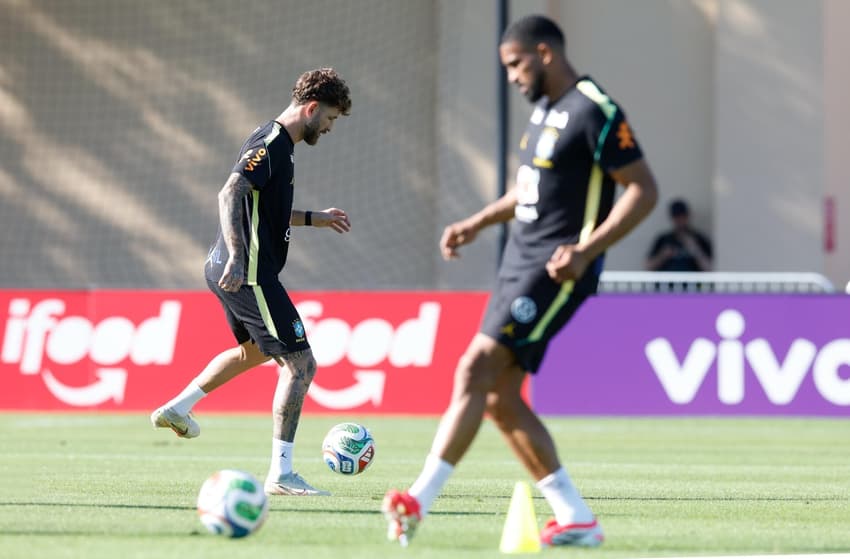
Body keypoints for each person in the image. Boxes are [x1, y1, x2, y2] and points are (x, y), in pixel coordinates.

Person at [382, 15, 658, 548]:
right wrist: (476, 223)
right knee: (499, 397)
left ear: (545, 53)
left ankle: (419, 500)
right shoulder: (546, 114)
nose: (511, 76)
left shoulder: (594, 110)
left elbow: (643, 189)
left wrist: (586, 250)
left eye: (515, 64)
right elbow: (527, 191)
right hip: (518, 263)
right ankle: (575, 516)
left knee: (475, 368)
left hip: (556, 270)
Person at [150, 68, 352, 497]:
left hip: (231, 268)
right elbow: (230, 192)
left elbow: (268, 209)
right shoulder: (272, 143)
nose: (331, 128)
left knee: (255, 351)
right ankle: (281, 475)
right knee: (302, 365)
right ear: (312, 108)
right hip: (250, 273)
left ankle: (178, 408)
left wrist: (316, 218)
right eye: (331, 119)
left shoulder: (281, 145)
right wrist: (241, 257)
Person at [645, 198, 713, 272]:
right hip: (667, 282)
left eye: (683, 216)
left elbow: (710, 268)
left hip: (694, 282)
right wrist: (663, 255)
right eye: (676, 217)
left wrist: (695, 251)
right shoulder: (663, 239)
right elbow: (648, 266)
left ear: (688, 216)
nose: (680, 220)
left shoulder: (699, 238)